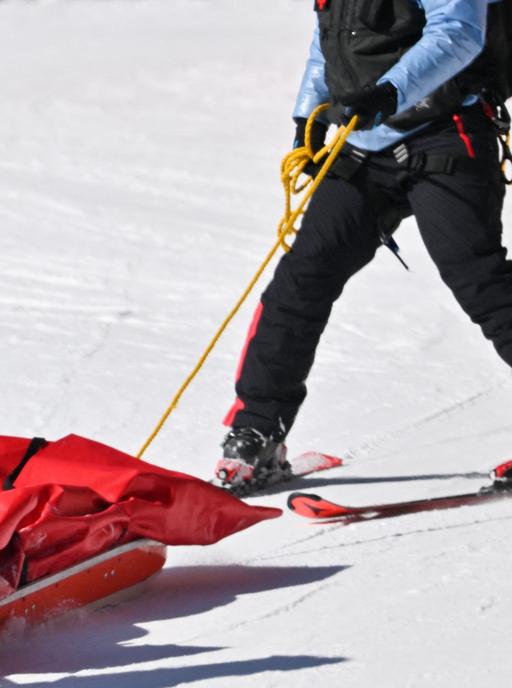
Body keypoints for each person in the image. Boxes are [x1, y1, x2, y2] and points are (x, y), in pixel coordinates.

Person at [218, 0, 512, 491]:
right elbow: (328, 44)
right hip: (365, 142)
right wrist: (306, 116)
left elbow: (459, 32)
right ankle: (257, 433)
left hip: (447, 133)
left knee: (480, 282)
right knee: (302, 279)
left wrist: (389, 92)